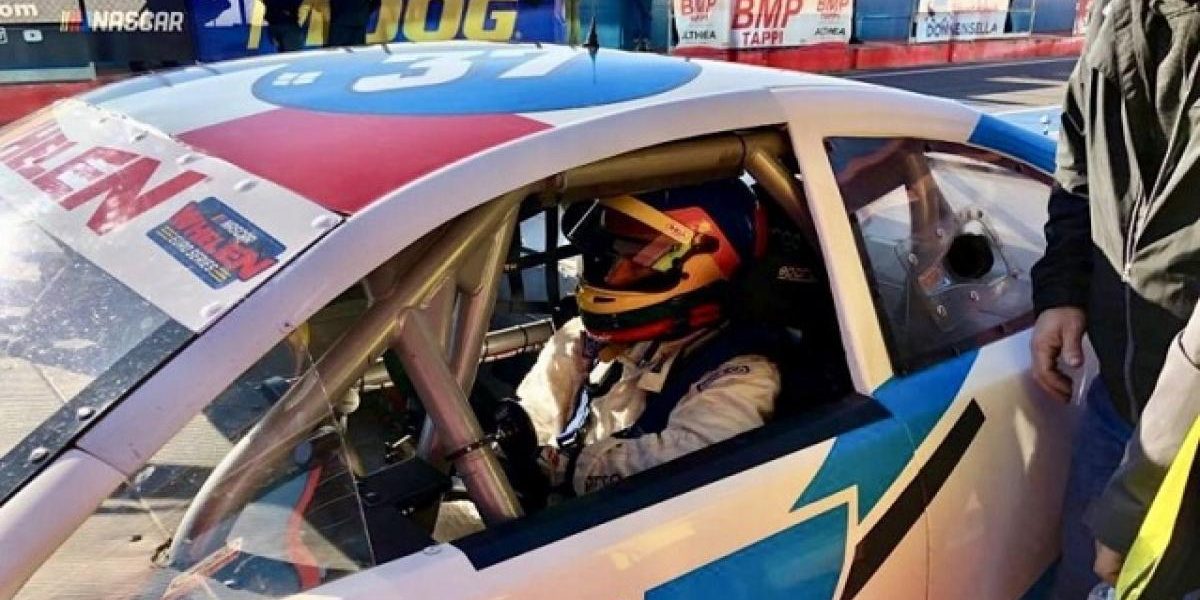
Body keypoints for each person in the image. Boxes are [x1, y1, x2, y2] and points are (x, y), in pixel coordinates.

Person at [1028, 0, 1200, 595]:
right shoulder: (1119, 13)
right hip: (1118, 410)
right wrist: (1063, 290)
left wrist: (1135, 499)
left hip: (1182, 447)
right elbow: (1078, 166)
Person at [498, 180, 782, 498]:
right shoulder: (583, 338)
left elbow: (691, 469)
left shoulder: (743, 376)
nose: (614, 275)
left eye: (642, 261)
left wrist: (565, 467)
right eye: (615, 253)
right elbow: (534, 417)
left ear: (707, 266)